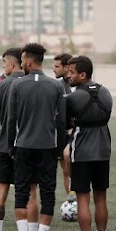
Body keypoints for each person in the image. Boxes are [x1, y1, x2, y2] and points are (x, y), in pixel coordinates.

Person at [7, 43, 66, 231]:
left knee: (21, 193)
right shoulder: (56, 86)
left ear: (29, 61)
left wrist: (10, 146)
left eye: (22, 60)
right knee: (48, 194)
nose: (21, 63)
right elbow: (61, 121)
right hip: (48, 147)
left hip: (22, 146)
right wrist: (60, 148)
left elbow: (11, 119)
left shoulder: (17, 85)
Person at [0, 47, 39, 231]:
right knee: (31, 194)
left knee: (0, 194)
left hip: (3, 147)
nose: (3, 67)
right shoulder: (34, 85)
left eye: (3, 63)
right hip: (28, 146)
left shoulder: (1, 85)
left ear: (11, 63)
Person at [65, 56, 114, 231]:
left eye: (71, 72)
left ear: (82, 75)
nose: (68, 75)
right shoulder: (107, 93)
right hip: (103, 150)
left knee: (83, 199)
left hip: (82, 151)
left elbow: (65, 124)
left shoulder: (73, 98)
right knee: (101, 198)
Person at [53, 52, 75, 201]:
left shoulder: (77, 85)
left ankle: (79, 198)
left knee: (77, 169)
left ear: (67, 67)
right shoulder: (57, 86)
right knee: (65, 169)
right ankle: (71, 201)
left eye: (56, 66)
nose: (53, 69)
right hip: (62, 134)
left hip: (80, 133)